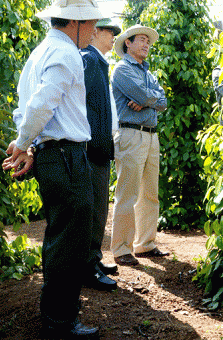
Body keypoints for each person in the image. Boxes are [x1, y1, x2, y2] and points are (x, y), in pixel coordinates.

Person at [2, 0, 102, 338]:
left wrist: (28, 145)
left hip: (53, 155)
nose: (94, 29)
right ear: (75, 21)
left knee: (61, 235)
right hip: (66, 156)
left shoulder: (40, 53)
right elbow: (42, 103)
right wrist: (23, 143)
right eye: (91, 22)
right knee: (71, 240)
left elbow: (24, 105)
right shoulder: (66, 53)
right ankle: (60, 321)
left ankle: (57, 315)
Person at [110, 24, 169, 266]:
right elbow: (150, 97)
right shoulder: (122, 70)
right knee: (128, 193)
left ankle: (145, 244)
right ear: (128, 43)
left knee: (149, 193)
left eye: (148, 41)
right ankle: (121, 248)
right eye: (142, 40)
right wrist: (148, 99)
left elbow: (163, 101)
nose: (146, 44)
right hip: (130, 134)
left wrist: (146, 101)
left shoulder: (148, 73)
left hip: (151, 135)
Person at [80, 18, 122, 291]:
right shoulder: (89, 60)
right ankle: (87, 267)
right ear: (95, 32)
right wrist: (95, 144)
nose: (113, 36)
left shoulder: (98, 61)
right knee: (92, 208)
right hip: (92, 147)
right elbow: (86, 108)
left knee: (99, 207)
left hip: (99, 146)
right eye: (110, 31)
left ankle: (93, 258)